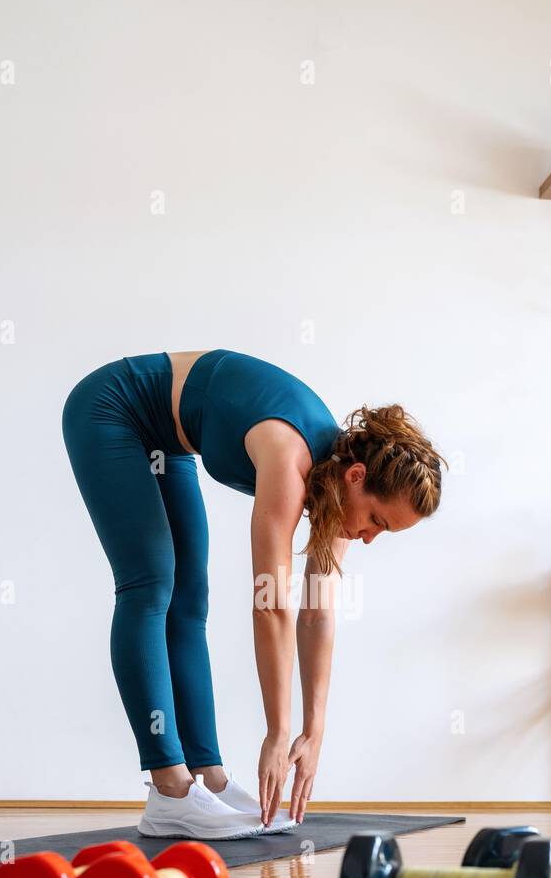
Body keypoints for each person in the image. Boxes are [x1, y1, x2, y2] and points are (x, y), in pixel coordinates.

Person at [62, 349, 445, 838]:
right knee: (151, 581)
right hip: (112, 409)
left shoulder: (335, 490)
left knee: (190, 598)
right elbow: (272, 605)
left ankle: (208, 778)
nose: (370, 537)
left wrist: (314, 729)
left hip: (167, 443)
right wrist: (278, 732)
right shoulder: (292, 460)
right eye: (376, 521)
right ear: (356, 478)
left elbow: (317, 615)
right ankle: (169, 790)